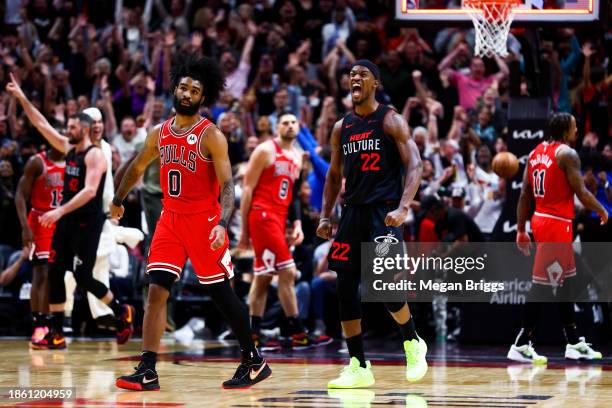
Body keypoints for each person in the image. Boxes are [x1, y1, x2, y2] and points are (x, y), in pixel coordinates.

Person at [111, 54, 271, 391]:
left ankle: (253, 360)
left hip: (204, 221)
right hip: (170, 219)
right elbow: (137, 167)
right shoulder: (159, 133)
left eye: (194, 90)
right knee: (156, 291)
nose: (186, 93)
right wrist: (117, 200)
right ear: (174, 89)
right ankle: (148, 368)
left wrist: (222, 224)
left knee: (221, 294)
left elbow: (228, 186)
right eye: (183, 87)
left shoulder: (211, 135)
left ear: (203, 97)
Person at [316, 60, 426, 388]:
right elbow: (335, 175)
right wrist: (325, 215)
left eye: (362, 74)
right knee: (345, 286)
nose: (355, 78)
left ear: (375, 83)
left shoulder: (390, 120)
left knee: (385, 284)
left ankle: (412, 341)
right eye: (351, 75)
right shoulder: (342, 127)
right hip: (353, 212)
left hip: (384, 211)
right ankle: (359, 365)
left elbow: (416, 164)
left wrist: (404, 207)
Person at [6, 74, 135, 350]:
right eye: (68, 126)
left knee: (84, 277)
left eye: (73, 127)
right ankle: (54, 331)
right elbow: (41, 124)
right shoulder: (69, 148)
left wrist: (58, 211)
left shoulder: (95, 155)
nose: (67, 130)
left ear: (85, 130)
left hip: (88, 223)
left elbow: (89, 191)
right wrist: (21, 97)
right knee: (53, 272)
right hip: (66, 220)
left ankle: (122, 310)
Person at [509, 112, 608, 364]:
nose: (577, 130)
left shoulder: (534, 153)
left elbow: (524, 194)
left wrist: (521, 229)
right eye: (575, 126)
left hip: (542, 220)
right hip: (556, 225)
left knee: (566, 282)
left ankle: (573, 342)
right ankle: (521, 343)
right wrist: (602, 209)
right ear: (566, 129)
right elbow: (582, 191)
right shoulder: (567, 154)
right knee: (542, 285)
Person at [239, 112, 331, 350]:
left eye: (293, 123)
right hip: (261, 214)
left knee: (263, 277)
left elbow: (294, 196)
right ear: (276, 126)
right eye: (285, 123)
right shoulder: (265, 150)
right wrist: (243, 231)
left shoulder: (298, 158)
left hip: (279, 219)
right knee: (288, 271)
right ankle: (297, 332)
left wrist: (297, 223)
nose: (290, 126)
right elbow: (247, 189)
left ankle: (254, 332)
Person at [15, 146, 65, 345]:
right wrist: (25, 227)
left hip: (61, 221)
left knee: (56, 274)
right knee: (41, 271)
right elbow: (20, 195)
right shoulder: (37, 162)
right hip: (40, 220)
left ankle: (54, 325)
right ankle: (39, 324)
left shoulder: (73, 162)